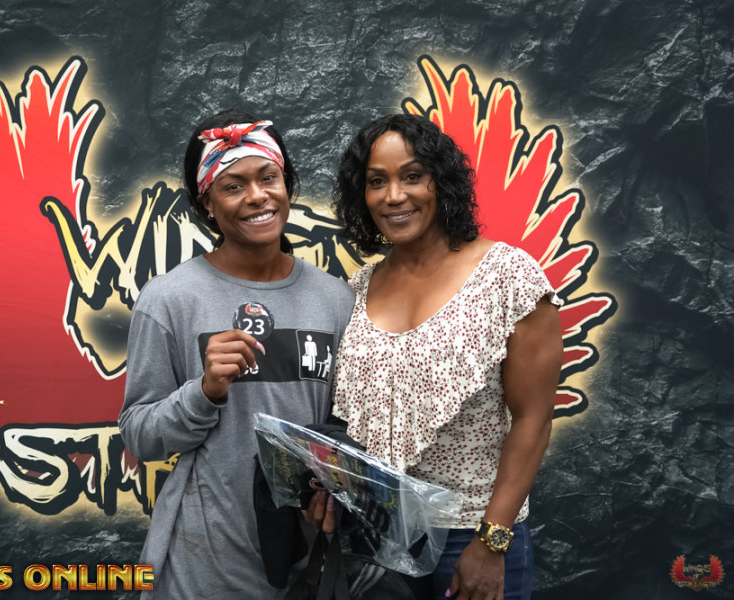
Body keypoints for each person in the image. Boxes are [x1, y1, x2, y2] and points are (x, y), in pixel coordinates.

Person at [118, 109, 355, 599]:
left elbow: (349, 428)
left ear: (287, 183)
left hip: (308, 562)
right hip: (204, 564)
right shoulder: (169, 300)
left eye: (268, 177)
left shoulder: (336, 300)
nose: (257, 196)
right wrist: (204, 392)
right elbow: (140, 435)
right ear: (206, 202)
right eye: (233, 186)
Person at [326, 113, 563, 600]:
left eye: (413, 176)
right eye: (376, 182)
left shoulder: (506, 275)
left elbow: (534, 420)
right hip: (377, 539)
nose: (394, 196)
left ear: (442, 182)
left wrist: (491, 542)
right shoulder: (358, 288)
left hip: (473, 536)